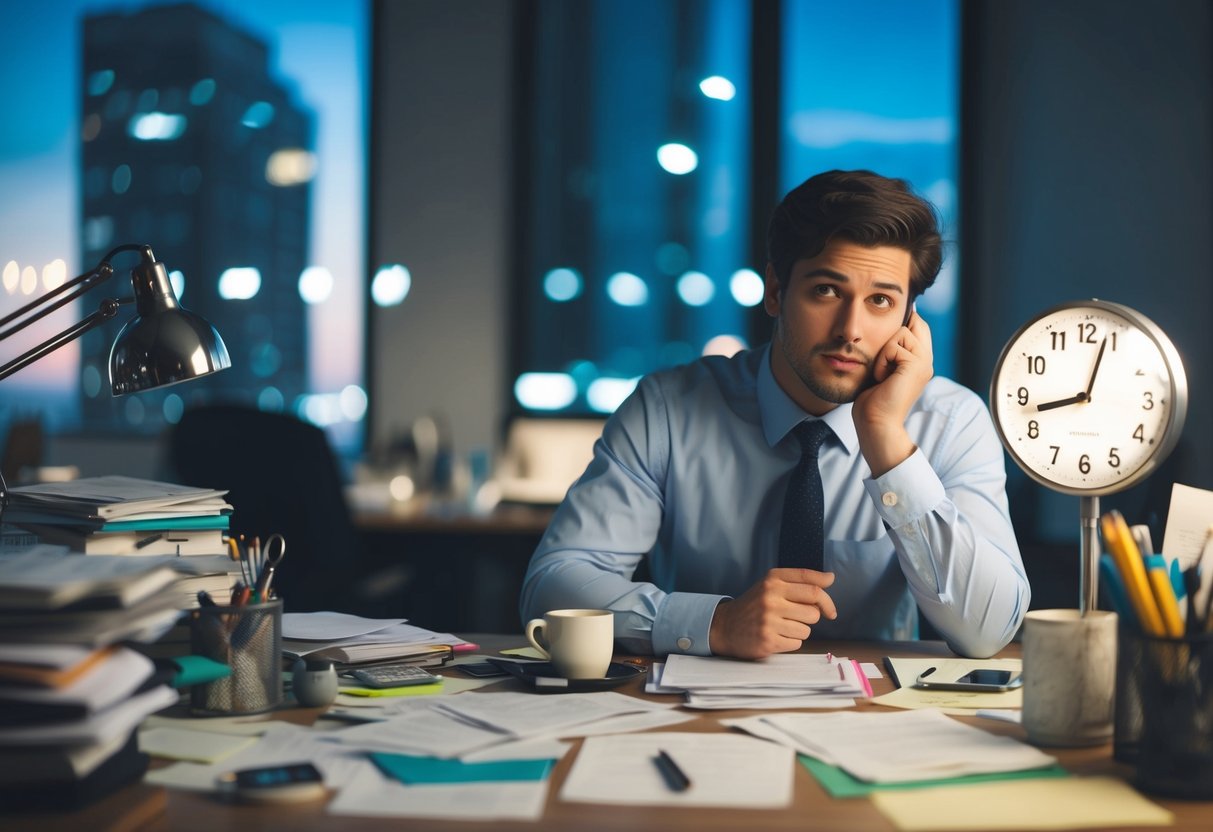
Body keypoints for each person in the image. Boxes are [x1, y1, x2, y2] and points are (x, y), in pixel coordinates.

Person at [519, 169, 1029, 660]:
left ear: (908, 318)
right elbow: (553, 585)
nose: (850, 329)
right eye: (826, 291)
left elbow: (987, 632)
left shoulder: (951, 420)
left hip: (874, 720)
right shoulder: (666, 411)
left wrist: (884, 436)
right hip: (696, 714)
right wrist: (713, 623)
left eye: (879, 300)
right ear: (776, 290)